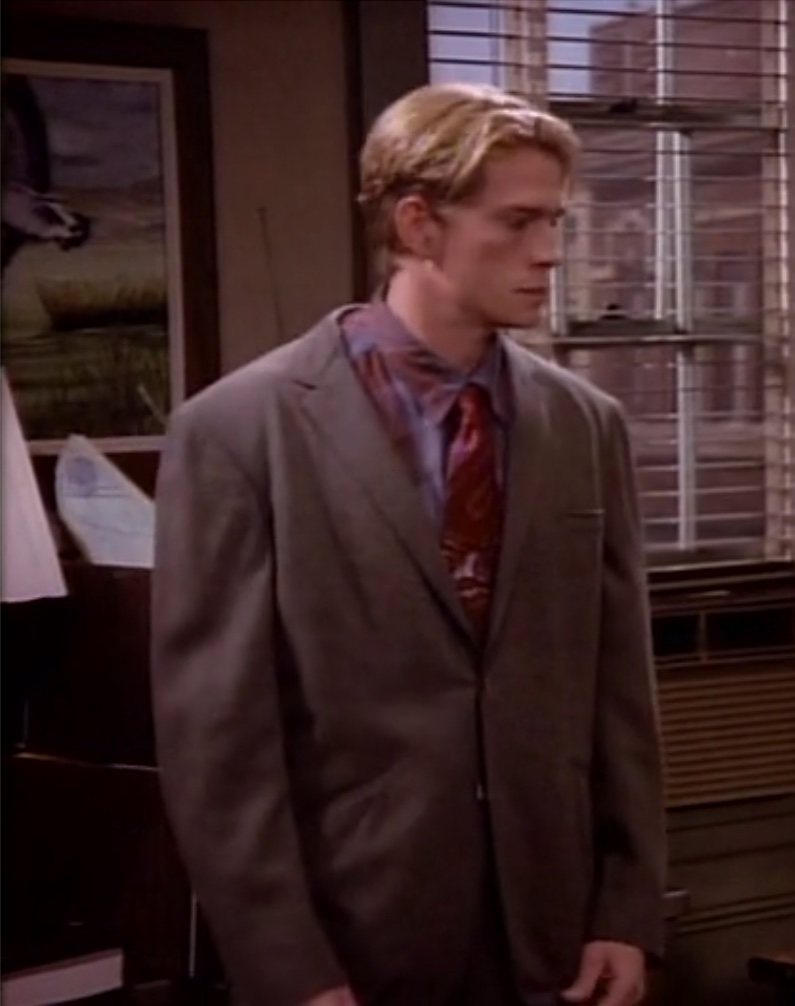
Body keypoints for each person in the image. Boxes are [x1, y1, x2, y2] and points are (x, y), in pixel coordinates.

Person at [151, 82, 666, 1006]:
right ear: (419, 224)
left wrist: (626, 908)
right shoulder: (241, 431)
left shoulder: (585, 426)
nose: (550, 251)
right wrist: (291, 971)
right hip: (357, 933)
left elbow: (621, 690)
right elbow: (219, 748)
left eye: (555, 221)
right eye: (517, 222)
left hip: (550, 932)